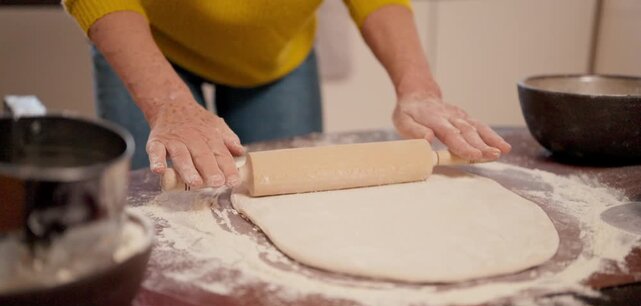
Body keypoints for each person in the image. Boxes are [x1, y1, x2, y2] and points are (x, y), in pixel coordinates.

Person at [63, 0, 511, 189]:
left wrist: (418, 88)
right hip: (147, 39)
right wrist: (169, 103)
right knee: (158, 206)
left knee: (291, 194)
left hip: (275, 52)